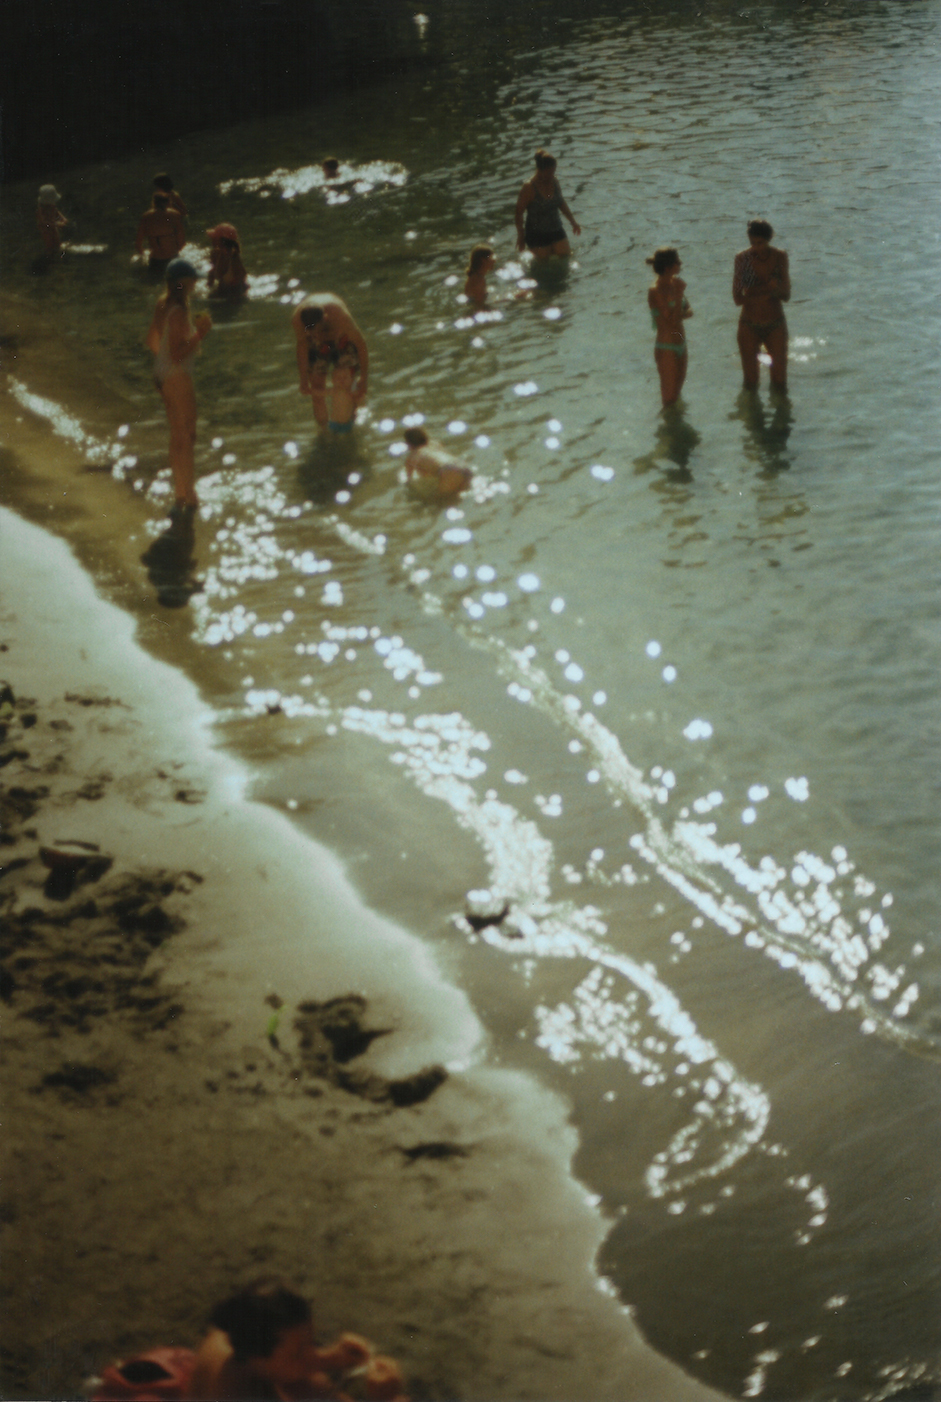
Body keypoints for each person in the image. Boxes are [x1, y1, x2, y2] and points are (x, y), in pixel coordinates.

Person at [186, 1279, 407, 1401]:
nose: (312, 1354)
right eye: (298, 1352)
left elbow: (285, 1365)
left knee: (316, 1386)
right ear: (258, 1358)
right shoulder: (240, 1394)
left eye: (310, 1342)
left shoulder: (238, 1332)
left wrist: (333, 1357)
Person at [145, 257, 212, 511]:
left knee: (178, 435)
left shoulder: (163, 305)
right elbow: (177, 353)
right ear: (184, 283)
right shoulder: (180, 311)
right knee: (188, 433)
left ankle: (181, 492)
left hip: (164, 374)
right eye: (193, 279)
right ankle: (189, 493)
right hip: (176, 375)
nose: (196, 283)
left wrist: (159, 368)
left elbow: (152, 340)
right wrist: (200, 333)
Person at [291, 294, 369, 433]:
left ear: (325, 318)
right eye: (312, 333)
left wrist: (364, 377)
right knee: (316, 391)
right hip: (317, 347)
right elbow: (302, 347)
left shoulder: (340, 316)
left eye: (319, 331)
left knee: (349, 388)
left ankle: (350, 425)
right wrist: (303, 380)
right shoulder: (298, 320)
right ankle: (324, 432)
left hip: (341, 339)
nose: (317, 335)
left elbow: (361, 345)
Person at [733, 219, 790, 390]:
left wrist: (774, 289)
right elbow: (737, 298)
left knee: (780, 382)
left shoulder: (780, 257)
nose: (756, 248)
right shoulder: (742, 259)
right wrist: (768, 290)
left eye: (760, 243)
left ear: (769, 239)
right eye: (752, 243)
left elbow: (786, 295)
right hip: (749, 325)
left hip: (776, 324)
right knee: (750, 383)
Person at [647, 247, 692, 407]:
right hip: (666, 347)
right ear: (668, 267)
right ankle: (665, 428)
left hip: (681, 343)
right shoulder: (655, 291)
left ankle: (675, 428)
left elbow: (689, 311)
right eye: (677, 262)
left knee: (677, 396)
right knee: (669, 400)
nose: (680, 264)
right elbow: (672, 320)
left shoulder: (675, 284)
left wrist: (679, 311)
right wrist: (679, 295)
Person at [514, 149, 581, 259]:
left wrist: (573, 222)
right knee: (543, 266)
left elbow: (561, 203)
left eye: (553, 172)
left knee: (566, 258)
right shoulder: (529, 187)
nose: (552, 175)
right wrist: (521, 237)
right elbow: (518, 213)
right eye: (549, 172)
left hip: (556, 229)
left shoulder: (554, 182)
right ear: (540, 170)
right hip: (536, 234)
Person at [403, 427, 473, 496]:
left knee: (441, 501)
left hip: (448, 470)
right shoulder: (434, 444)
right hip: (462, 465)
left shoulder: (412, 457)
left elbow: (409, 480)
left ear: (408, 443)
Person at [136, 193, 186, 268]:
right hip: (172, 257)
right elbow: (182, 240)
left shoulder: (146, 216)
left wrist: (143, 254)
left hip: (156, 258)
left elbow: (138, 243)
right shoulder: (174, 215)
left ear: (153, 202)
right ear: (168, 202)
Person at [207, 222, 248, 295]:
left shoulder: (230, 257)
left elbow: (241, 274)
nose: (211, 241)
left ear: (220, 242)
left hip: (229, 292)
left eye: (214, 238)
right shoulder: (231, 254)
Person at [37, 184, 67, 256]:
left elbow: (57, 213)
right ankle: (50, 255)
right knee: (49, 243)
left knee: (56, 240)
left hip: (53, 227)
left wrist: (63, 219)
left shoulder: (52, 206)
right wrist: (57, 224)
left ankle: (57, 250)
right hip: (46, 229)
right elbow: (44, 222)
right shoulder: (41, 210)